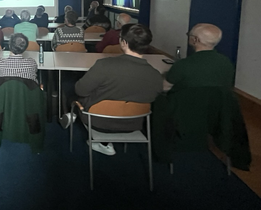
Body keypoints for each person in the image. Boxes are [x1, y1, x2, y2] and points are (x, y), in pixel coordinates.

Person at [60, 24, 163, 156]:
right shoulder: (155, 76)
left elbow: (80, 90)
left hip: (98, 121)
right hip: (133, 124)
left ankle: (73, 113)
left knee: (72, 91)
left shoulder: (104, 65)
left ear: (124, 42)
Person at [164, 23, 235, 93]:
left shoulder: (183, 64)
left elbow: (165, 87)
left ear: (195, 40)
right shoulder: (226, 62)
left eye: (189, 35)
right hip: (217, 100)